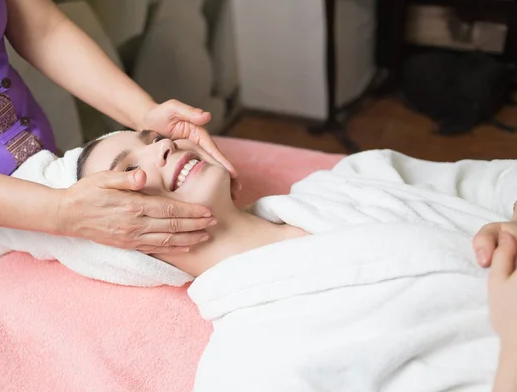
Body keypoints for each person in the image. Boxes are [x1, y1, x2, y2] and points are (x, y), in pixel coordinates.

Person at [0, 0, 240, 362]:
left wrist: (144, 114)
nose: (164, 149)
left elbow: (44, 29)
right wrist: (61, 212)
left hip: (40, 172)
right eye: (131, 167)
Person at [77, 130, 517, 391]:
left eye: (153, 139)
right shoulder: (245, 371)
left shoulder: (350, 181)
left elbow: (500, 179)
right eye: (127, 170)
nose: (162, 148)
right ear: (122, 240)